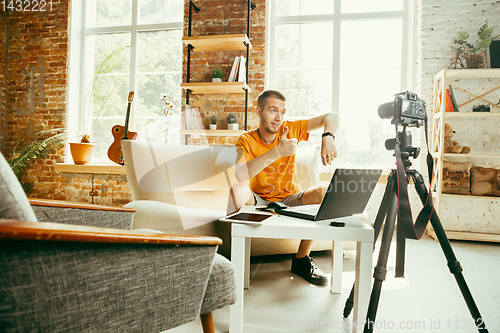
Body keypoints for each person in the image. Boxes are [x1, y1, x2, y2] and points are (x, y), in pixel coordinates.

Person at [227, 90, 339, 286]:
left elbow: (332, 116)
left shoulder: (290, 129)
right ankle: (233, 259)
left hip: (289, 199)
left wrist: (327, 137)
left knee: (324, 191)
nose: (278, 118)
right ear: (258, 111)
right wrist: (278, 151)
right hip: (259, 200)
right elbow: (240, 174)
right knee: (237, 190)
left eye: (283, 112)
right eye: (272, 110)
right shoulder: (246, 140)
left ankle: (301, 259)